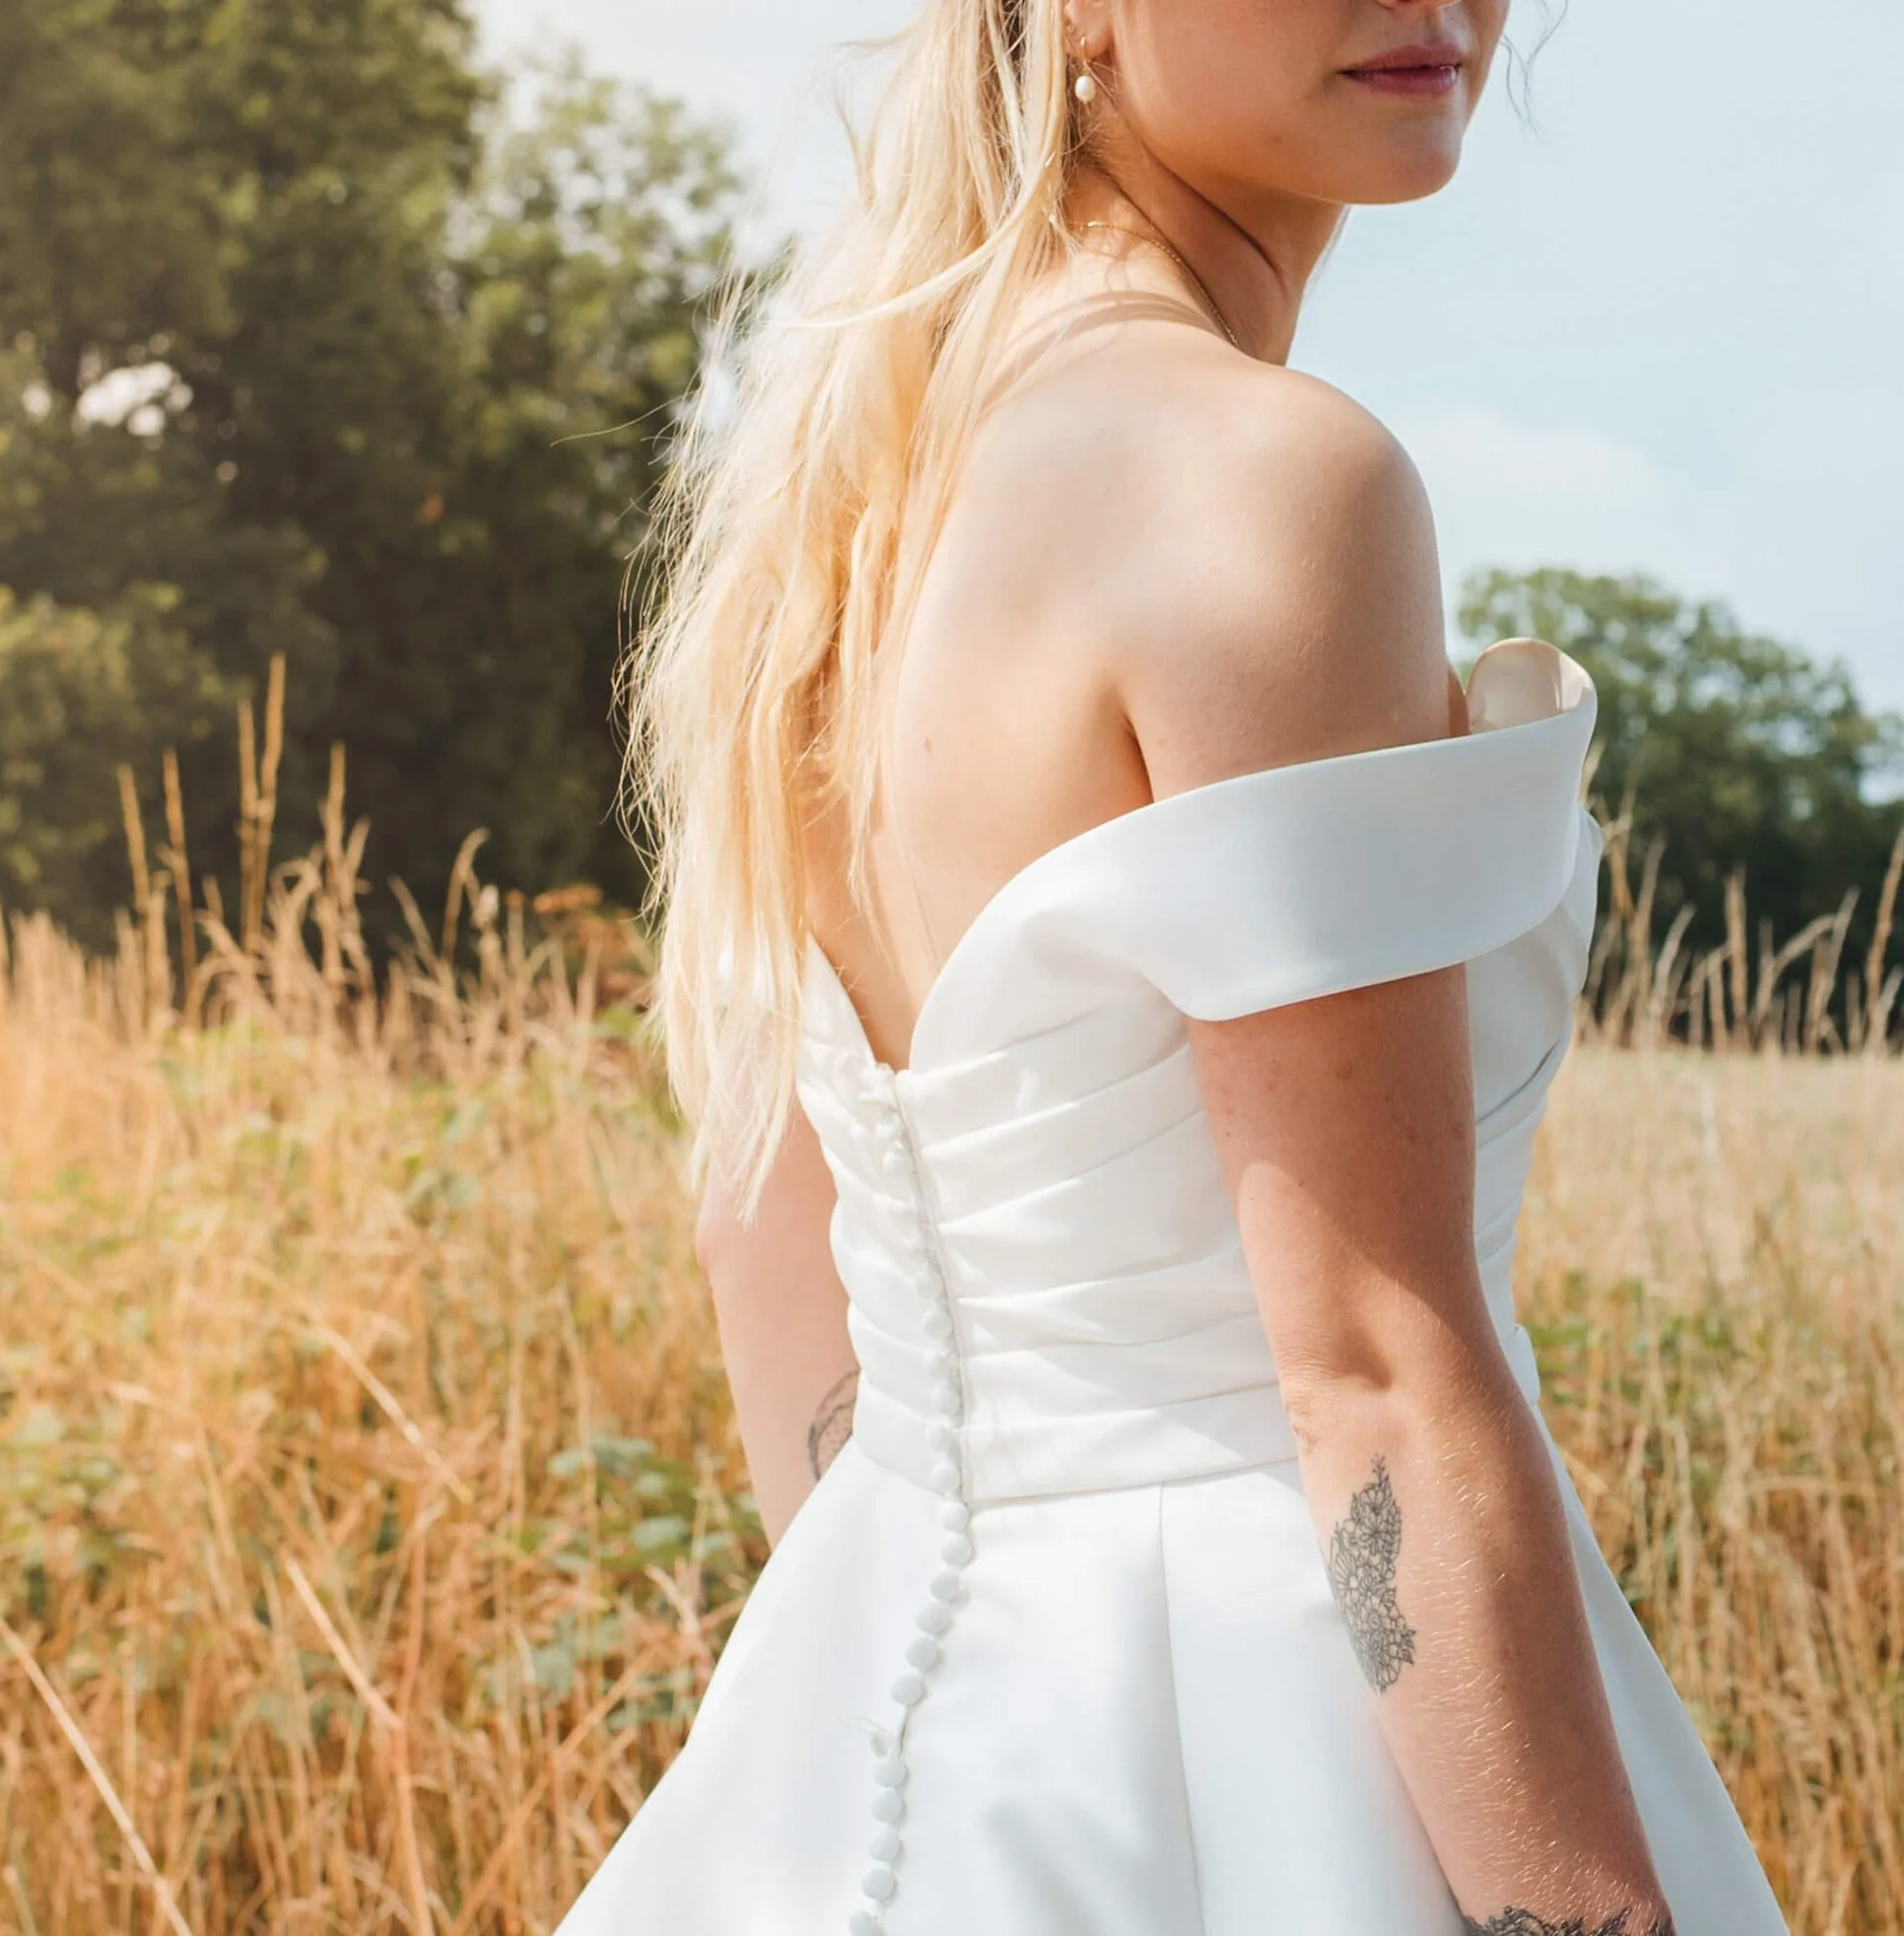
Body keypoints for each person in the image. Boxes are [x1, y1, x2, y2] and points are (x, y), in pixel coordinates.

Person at [573, 2, 1790, 1931]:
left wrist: (911, 1673)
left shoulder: (848, 493)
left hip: (878, 1705)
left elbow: (769, 1223)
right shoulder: (1260, 481)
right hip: (1279, 1715)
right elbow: (1372, 1368)